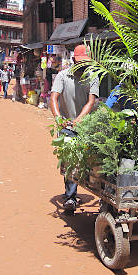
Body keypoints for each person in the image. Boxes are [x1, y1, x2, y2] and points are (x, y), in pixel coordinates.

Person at [50, 44, 99, 212]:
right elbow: (54, 98)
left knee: (94, 160)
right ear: (73, 60)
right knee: (70, 161)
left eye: (86, 62)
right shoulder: (62, 76)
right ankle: (70, 197)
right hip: (67, 126)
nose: (83, 66)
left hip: (87, 125)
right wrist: (58, 118)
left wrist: (79, 120)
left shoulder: (92, 77)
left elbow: (91, 101)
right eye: (80, 62)